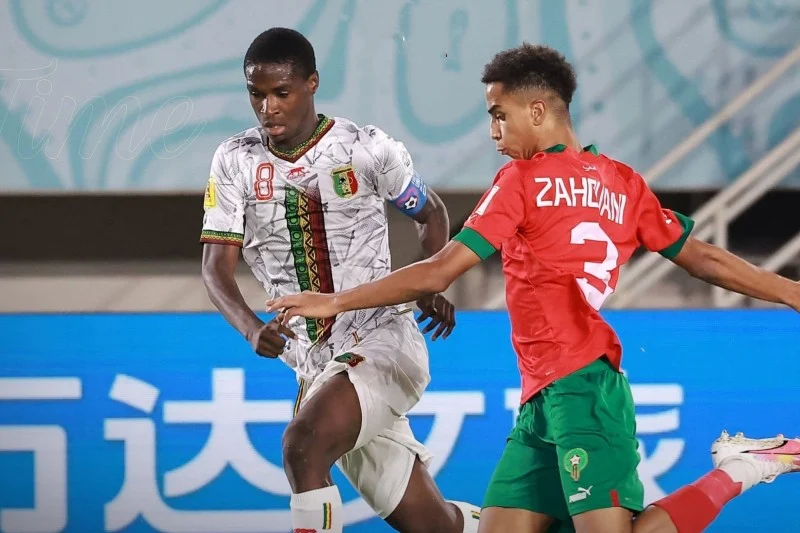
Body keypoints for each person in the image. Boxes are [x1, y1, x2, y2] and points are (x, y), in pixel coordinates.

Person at [266, 43, 800, 533]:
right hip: (543, 398)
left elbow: (439, 271)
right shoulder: (623, 182)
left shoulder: (522, 181)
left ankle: (741, 469)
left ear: (538, 111)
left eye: (500, 115)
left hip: (583, 388)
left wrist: (333, 301)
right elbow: (704, 258)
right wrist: (791, 291)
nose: (493, 132)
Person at [200, 27, 481, 533]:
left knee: (302, 446)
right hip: (316, 367)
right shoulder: (235, 160)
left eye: (281, 93)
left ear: (312, 84)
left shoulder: (365, 148)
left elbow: (431, 211)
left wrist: (431, 284)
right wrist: (250, 328)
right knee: (434, 526)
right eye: (256, 94)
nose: (267, 108)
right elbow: (214, 267)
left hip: (382, 342)